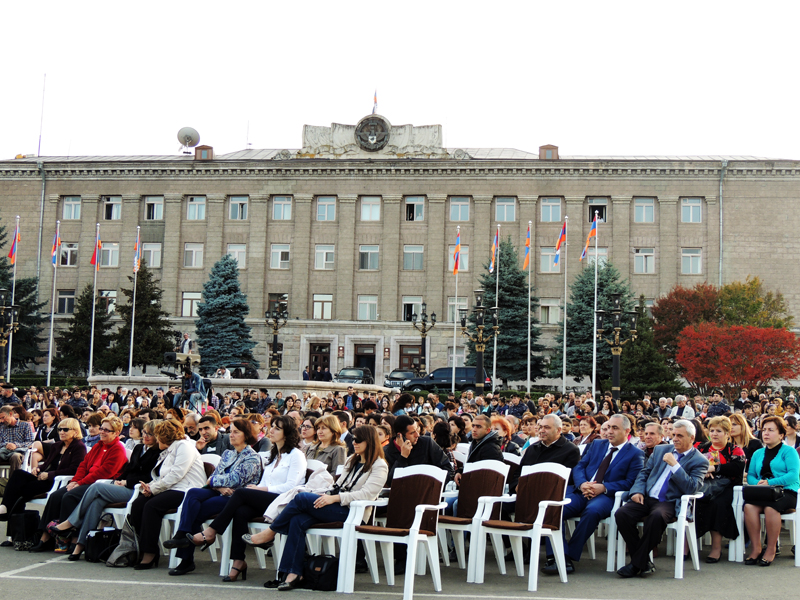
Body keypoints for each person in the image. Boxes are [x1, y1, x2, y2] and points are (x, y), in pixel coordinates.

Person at [242, 425, 389, 590]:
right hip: (335, 505)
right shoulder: (352, 460)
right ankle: (292, 574)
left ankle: (270, 533)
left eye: (358, 440)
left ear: (369, 442)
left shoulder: (379, 465)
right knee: (297, 519)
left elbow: (366, 494)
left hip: (353, 512)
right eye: (353, 439)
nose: (354, 442)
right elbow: (337, 485)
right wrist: (326, 495)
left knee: (302, 497)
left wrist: (334, 498)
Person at [183, 416, 306, 581]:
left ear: (287, 433)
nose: (272, 430)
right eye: (272, 427)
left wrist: (260, 489)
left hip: (283, 501)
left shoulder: (296, 455)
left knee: (240, 493)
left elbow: (292, 486)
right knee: (240, 511)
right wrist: (258, 488)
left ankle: (211, 531)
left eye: (277, 428)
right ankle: (238, 561)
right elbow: (264, 480)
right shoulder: (274, 454)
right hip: (267, 499)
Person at [543, 414, 645, 575]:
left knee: (592, 512)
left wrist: (603, 487)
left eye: (615, 428)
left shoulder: (635, 453)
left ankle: (567, 556)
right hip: (582, 490)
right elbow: (579, 466)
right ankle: (557, 555)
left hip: (606, 495)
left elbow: (631, 481)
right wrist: (582, 483)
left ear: (627, 431)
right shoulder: (597, 444)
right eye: (608, 427)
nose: (609, 431)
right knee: (554, 508)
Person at [48, 419, 161, 560]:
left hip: (138, 490)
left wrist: (126, 481)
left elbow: (150, 476)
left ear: (157, 436)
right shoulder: (139, 448)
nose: (145, 436)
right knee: (96, 502)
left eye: (150, 434)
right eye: (144, 432)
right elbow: (129, 469)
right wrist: (119, 480)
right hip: (123, 486)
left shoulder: (158, 452)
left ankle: (71, 522)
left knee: (96, 487)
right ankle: (80, 545)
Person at [162, 419, 263, 576]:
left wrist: (216, 482)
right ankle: (183, 536)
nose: (232, 435)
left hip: (236, 498)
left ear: (247, 435)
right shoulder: (228, 454)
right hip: (220, 491)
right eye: (231, 431)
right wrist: (219, 485)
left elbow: (236, 480)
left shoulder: (252, 457)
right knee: (193, 493)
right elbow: (214, 477)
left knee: (195, 511)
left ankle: (186, 558)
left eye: (236, 432)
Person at [614, 419, 709, 577]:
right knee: (622, 513)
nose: (675, 439)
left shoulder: (699, 460)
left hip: (669, 501)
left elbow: (692, 488)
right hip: (647, 497)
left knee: (656, 517)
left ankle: (636, 564)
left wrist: (675, 466)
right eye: (673, 435)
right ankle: (643, 562)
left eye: (680, 435)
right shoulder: (660, 450)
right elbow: (644, 473)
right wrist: (637, 491)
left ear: (692, 438)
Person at [32, 416, 128, 552]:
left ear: (116, 433)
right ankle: (45, 536)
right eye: (101, 428)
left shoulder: (117, 449)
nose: (102, 432)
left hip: (100, 485)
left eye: (107, 430)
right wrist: (74, 481)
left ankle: (70, 538)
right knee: (56, 496)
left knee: (69, 497)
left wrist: (80, 483)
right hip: (85, 482)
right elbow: (83, 465)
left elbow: (104, 473)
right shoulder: (98, 446)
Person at [129, 419, 207, 569]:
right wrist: (149, 487)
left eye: (158, 436)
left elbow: (176, 474)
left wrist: (154, 489)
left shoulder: (184, 447)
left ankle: (149, 552)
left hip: (187, 490)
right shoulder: (170, 449)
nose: (157, 439)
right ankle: (142, 547)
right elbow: (162, 477)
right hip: (171, 488)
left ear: (164, 436)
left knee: (152, 506)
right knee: (138, 504)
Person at [0, 418, 86, 527]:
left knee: (19, 490)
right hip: (44, 477)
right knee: (18, 474)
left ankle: (12, 523)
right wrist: (38, 469)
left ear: (75, 431)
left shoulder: (79, 447)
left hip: (57, 482)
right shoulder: (57, 445)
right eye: (60, 429)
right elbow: (47, 463)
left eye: (65, 429)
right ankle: (5, 509)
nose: (61, 432)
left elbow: (74, 469)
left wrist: (49, 475)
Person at [743, 416, 800, 566]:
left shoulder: (789, 452)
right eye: (764, 430)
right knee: (748, 507)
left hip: (786, 492)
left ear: (781, 435)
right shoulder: (758, 453)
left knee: (770, 507)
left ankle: (771, 548)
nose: (766, 433)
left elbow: (793, 475)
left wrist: (769, 482)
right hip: (763, 492)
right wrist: (759, 484)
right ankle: (756, 548)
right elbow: (751, 476)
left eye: (770, 430)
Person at [693, 416, 746, 563]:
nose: (714, 434)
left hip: (727, 488)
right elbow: (690, 463)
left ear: (727, 433)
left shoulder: (734, 450)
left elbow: (736, 469)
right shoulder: (701, 448)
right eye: (711, 430)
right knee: (695, 501)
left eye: (719, 431)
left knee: (717, 503)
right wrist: (704, 470)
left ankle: (716, 548)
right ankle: (687, 544)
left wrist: (714, 468)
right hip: (704, 485)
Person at [384, 415, 454, 484]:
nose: (417, 435)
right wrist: (402, 457)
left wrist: (433, 484)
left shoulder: (427, 443)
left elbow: (447, 468)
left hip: (428, 489)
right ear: (400, 435)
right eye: (412, 433)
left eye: (417, 430)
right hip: (402, 493)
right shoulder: (386, 452)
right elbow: (390, 482)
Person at [0, 405, 35, 474]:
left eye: (3, 417)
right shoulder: (2, 427)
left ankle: (13, 482)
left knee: (15, 456)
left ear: (10, 414)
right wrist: (7, 444)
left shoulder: (25, 425)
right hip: (4, 451)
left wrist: (16, 445)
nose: (2, 420)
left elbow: (30, 442)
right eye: (0, 418)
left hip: (19, 451)